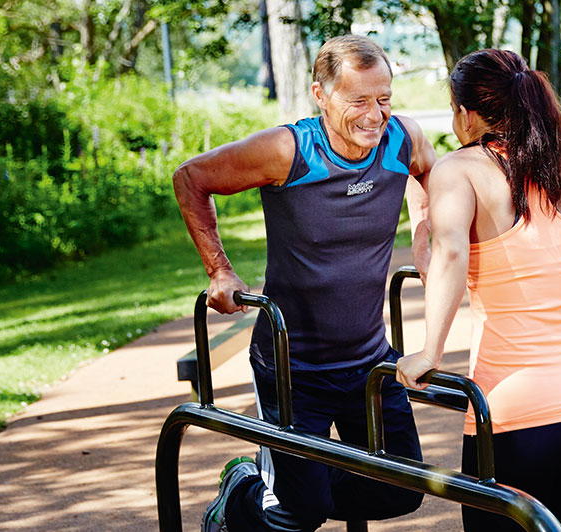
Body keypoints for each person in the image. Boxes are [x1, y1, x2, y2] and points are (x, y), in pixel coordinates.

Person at [173, 35, 439, 532]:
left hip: (368, 360)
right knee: (298, 516)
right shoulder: (288, 150)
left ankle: (295, 486)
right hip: (293, 367)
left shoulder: (403, 139)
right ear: (321, 94)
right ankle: (244, 495)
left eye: (383, 99)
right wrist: (220, 269)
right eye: (357, 100)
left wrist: (423, 232)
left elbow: (433, 179)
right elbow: (191, 177)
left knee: (402, 488)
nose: (374, 115)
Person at [395, 48, 561, 532]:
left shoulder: (459, 170)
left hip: (513, 418)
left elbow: (451, 254)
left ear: (466, 112)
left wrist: (429, 352)